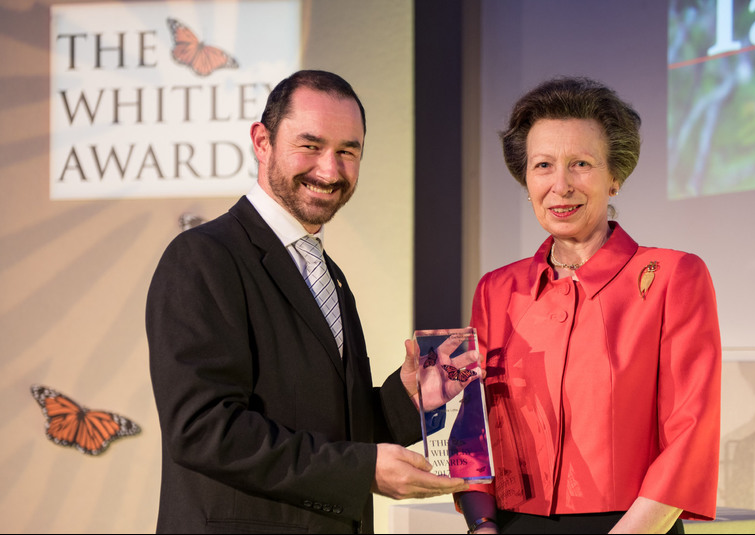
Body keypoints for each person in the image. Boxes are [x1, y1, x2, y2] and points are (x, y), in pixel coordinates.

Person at [145, 69, 471, 534]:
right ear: (262, 142)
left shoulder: (327, 272)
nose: (330, 170)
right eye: (311, 146)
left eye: (347, 151)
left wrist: (407, 398)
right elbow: (203, 430)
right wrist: (361, 470)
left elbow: (330, 432)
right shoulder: (203, 257)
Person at [455, 76, 722, 534]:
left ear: (615, 177)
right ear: (526, 179)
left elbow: (690, 431)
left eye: (580, 164)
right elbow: (471, 422)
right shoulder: (496, 289)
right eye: (542, 166)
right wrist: (481, 524)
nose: (560, 185)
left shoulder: (672, 276)